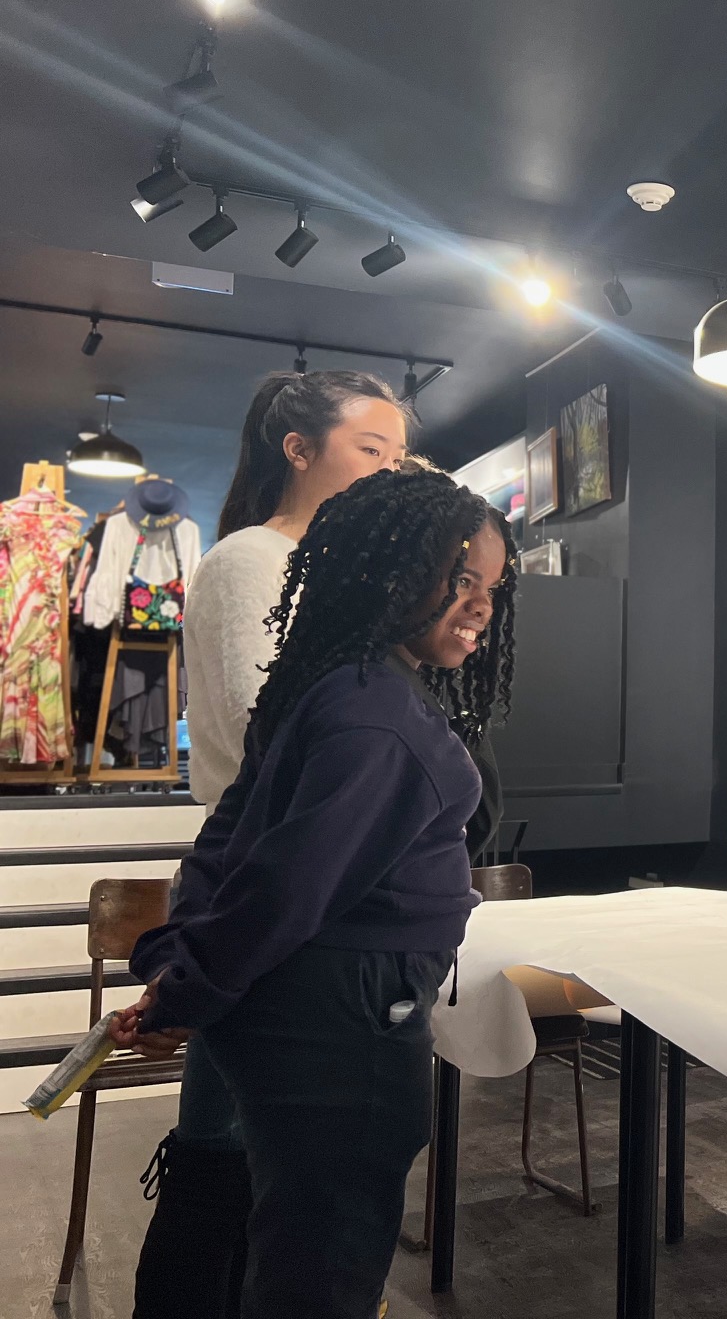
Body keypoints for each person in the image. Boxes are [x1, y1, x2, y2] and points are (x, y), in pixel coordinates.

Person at [112, 467, 516, 1319]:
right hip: (345, 1026)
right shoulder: (381, 719)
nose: (480, 604)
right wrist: (186, 984)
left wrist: (181, 964)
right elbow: (282, 887)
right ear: (391, 571)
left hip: (302, 1013)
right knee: (322, 1264)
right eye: (460, 579)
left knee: (291, 1233)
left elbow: (232, 842)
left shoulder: (334, 685)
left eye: (491, 586)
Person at [133, 369, 410, 1319]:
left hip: (304, 867)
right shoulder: (256, 558)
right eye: (370, 450)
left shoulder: (334, 570)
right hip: (264, 866)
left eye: (398, 456)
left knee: (258, 1146)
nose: (388, 468)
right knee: (235, 1149)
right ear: (299, 450)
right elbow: (279, 728)